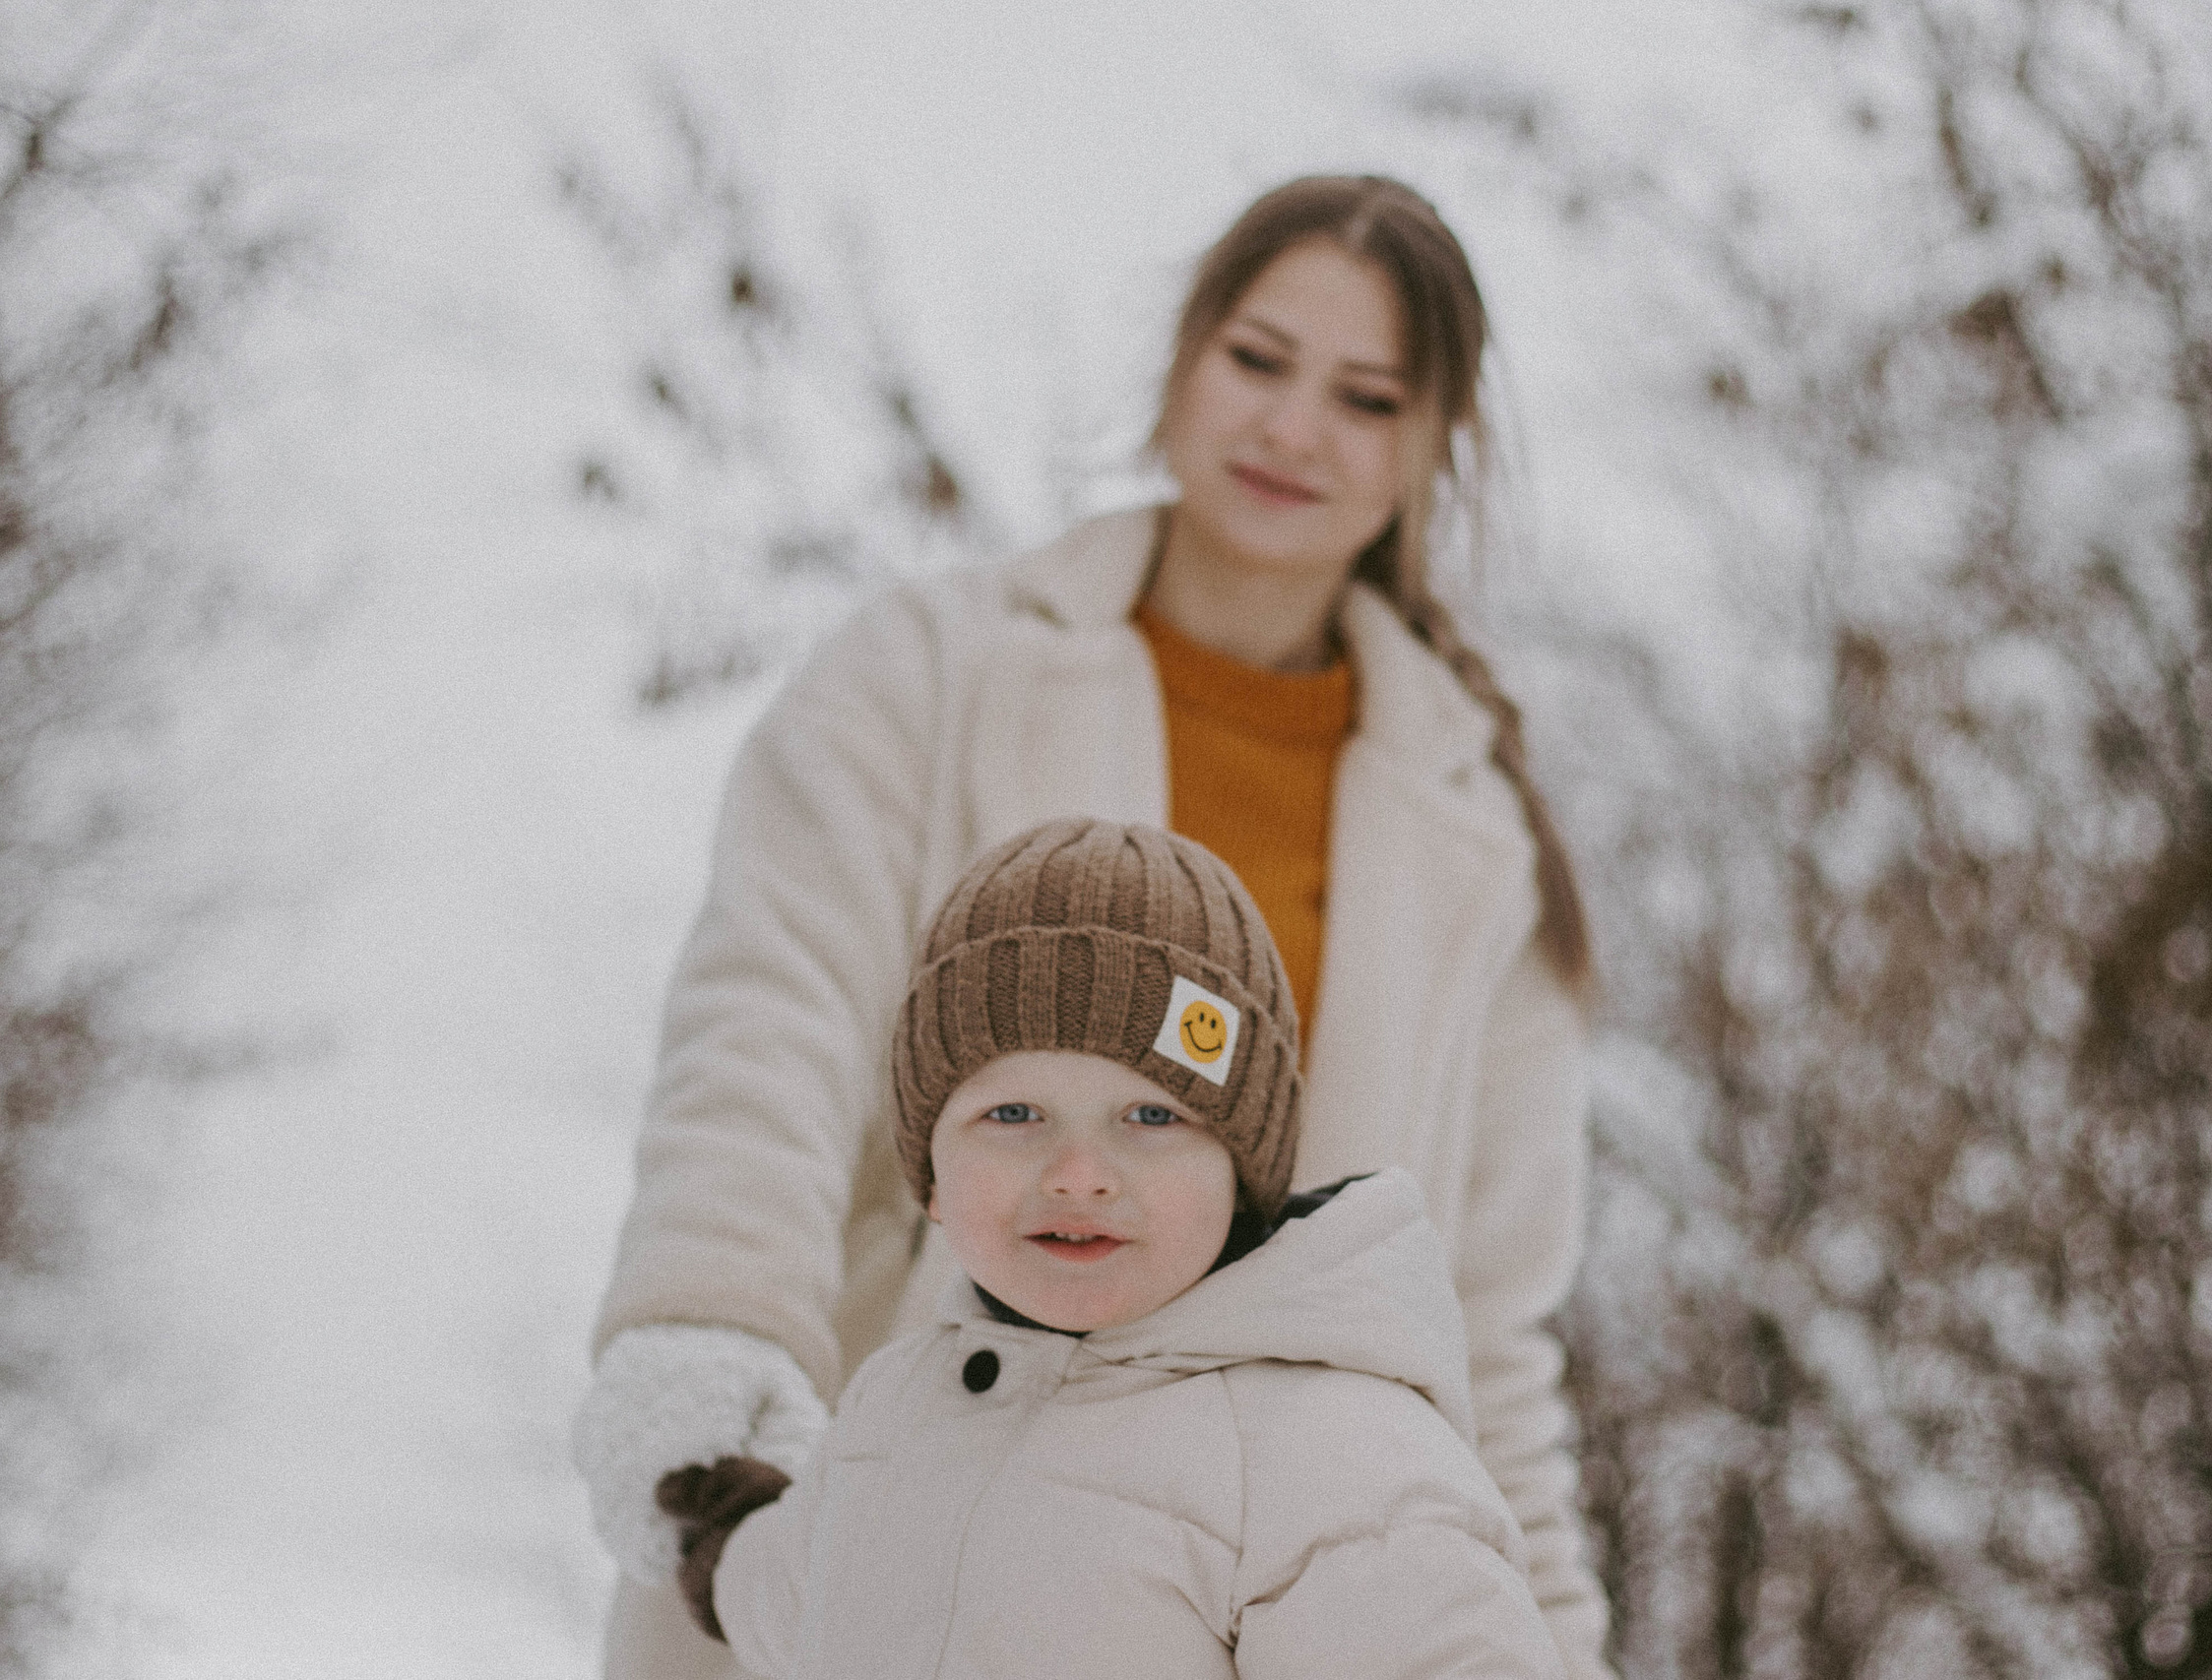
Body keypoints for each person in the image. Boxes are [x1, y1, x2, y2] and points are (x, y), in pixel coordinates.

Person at [571, 174, 1611, 1680]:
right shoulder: (929, 674)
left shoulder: (1479, 842)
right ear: (1184, 361)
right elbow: (768, 1021)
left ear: (1431, 447)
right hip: (877, 1525)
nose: (1293, 428)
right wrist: (714, 1328)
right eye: (1258, 359)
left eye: (1367, 396)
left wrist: (1555, 1642)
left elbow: (1488, 1328)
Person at [657, 819, 1566, 1678]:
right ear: (931, 1175)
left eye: (1152, 1116)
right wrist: (728, 1546)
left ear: (1242, 1170)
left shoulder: (1331, 1456)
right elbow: (813, 1579)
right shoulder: (896, 1412)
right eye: (1013, 1114)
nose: (1080, 1172)